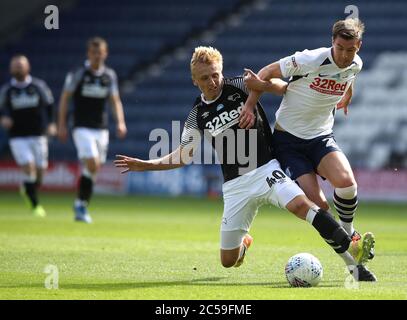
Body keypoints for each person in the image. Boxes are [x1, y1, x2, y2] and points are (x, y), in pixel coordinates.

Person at [114, 46, 375, 281]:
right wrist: (145, 164)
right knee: (228, 261)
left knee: (303, 206)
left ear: (222, 71)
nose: (213, 81)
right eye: (205, 78)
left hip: (266, 170)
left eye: (216, 74)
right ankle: (244, 243)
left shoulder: (239, 86)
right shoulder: (197, 114)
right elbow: (183, 155)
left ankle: (353, 259)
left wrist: (266, 88)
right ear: (195, 81)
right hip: (235, 187)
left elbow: (273, 84)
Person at [239, 18, 375, 264]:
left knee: (347, 184)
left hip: (320, 137)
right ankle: (351, 255)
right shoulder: (311, 59)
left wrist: (348, 95)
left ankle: (350, 234)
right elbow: (266, 73)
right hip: (288, 142)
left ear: (359, 46)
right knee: (319, 207)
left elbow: (349, 76)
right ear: (332, 42)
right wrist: (250, 106)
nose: (344, 55)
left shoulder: (356, 64)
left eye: (350, 50)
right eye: (340, 48)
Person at [58, 37, 127, 223]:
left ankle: (80, 203)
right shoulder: (79, 73)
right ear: (89, 54)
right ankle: (81, 205)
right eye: (93, 52)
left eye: (100, 52)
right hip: (81, 126)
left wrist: (120, 122)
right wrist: (61, 124)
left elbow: (115, 100)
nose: (97, 56)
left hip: (101, 128)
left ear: (105, 54)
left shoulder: (109, 76)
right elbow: (65, 98)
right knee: (93, 163)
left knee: (93, 168)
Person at [0, 54, 56, 217]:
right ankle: (35, 206)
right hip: (17, 136)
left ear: (28, 67)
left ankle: (27, 188)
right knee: (28, 166)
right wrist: (3, 118)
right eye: (15, 65)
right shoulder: (6, 90)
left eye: (21, 65)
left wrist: (51, 124)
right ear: (11, 69)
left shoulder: (38, 86)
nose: (18, 67)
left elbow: (50, 105)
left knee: (40, 172)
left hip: (38, 135)